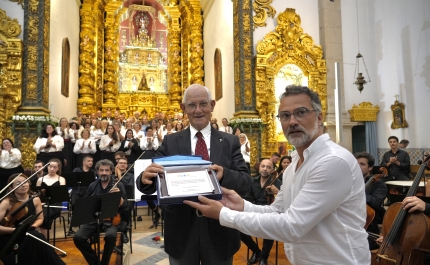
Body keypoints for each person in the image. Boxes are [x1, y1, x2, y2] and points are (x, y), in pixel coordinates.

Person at [184, 85, 370, 264]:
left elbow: (292, 226)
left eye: (301, 112)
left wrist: (224, 215)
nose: (292, 121)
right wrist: (241, 206)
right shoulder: (294, 164)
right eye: (285, 116)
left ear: (319, 117)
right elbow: (277, 211)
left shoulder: (332, 161)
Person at [136, 84, 252, 264]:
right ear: (184, 109)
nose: (198, 110)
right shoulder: (170, 141)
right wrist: (144, 178)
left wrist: (224, 174)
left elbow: (245, 182)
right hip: (181, 233)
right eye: (192, 105)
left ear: (212, 106)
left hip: (220, 230)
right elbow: (151, 179)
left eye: (203, 104)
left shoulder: (230, 142)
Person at [0, 174, 65, 265]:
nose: (23, 185)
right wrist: (17, 230)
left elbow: (40, 218)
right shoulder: (7, 202)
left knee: (36, 237)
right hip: (9, 237)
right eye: (18, 183)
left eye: (25, 182)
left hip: (28, 233)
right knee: (37, 238)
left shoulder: (35, 199)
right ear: (11, 188)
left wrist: (34, 225)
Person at [73, 159, 127, 265]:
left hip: (111, 220)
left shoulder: (119, 185)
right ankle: (95, 262)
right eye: (101, 170)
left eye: (107, 170)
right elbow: (87, 204)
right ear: (97, 171)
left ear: (111, 171)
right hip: (94, 219)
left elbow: (125, 207)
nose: (104, 173)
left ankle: (105, 262)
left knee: (111, 236)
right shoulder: (93, 185)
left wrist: (119, 198)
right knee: (78, 237)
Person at [241, 159, 282, 265]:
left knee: (269, 229)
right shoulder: (252, 181)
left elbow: (284, 200)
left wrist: (277, 192)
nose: (265, 169)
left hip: (270, 213)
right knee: (239, 230)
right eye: (263, 166)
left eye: (268, 167)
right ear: (259, 167)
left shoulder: (277, 182)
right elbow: (248, 198)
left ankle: (264, 257)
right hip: (254, 211)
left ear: (272, 170)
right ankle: (256, 251)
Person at [355, 152, 387, 250]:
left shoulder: (379, 185)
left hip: (369, 226)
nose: (358, 166)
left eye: (362, 164)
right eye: (356, 163)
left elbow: (377, 202)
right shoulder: (350, 182)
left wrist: (357, 194)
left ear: (370, 167)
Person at [35, 158, 66, 239]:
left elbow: (61, 195)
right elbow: (37, 195)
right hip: (42, 204)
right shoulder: (40, 179)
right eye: (50, 166)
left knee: (44, 215)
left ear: (58, 168)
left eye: (55, 167)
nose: (52, 169)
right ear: (47, 167)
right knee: (39, 212)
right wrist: (40, 203)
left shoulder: (61, 179)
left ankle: (45, 240)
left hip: (55, 204)